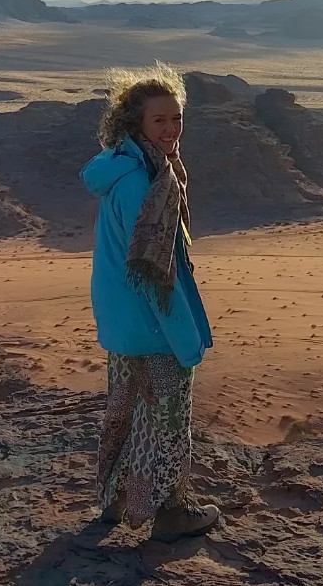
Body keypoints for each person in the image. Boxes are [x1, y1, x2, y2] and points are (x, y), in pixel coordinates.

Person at [79, 62, 219, 543]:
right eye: (159, 120)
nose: (170, 128)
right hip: (149, 324)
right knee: (167, 420)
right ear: (136, 122)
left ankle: (113, 505)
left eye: (176, 118)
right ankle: (171, 513)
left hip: (122, 323)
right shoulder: (145, 182)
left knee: (125, 412)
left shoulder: (128, 166)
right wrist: (186, 339)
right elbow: (159, 276)